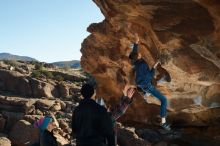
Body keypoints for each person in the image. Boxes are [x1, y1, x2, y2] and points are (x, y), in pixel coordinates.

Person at [129, 33, 171, 130]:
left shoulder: (134, 60)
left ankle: (146, 93)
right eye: (139, 54)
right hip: (146, 84)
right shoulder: (142, 65)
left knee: (151, 85)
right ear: (138, 57)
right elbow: (150, 75)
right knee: (164, 100)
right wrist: (156, 63)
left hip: (142, 84)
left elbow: (134, 51)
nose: (140, 53)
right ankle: (163, 122)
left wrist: (136, 42)